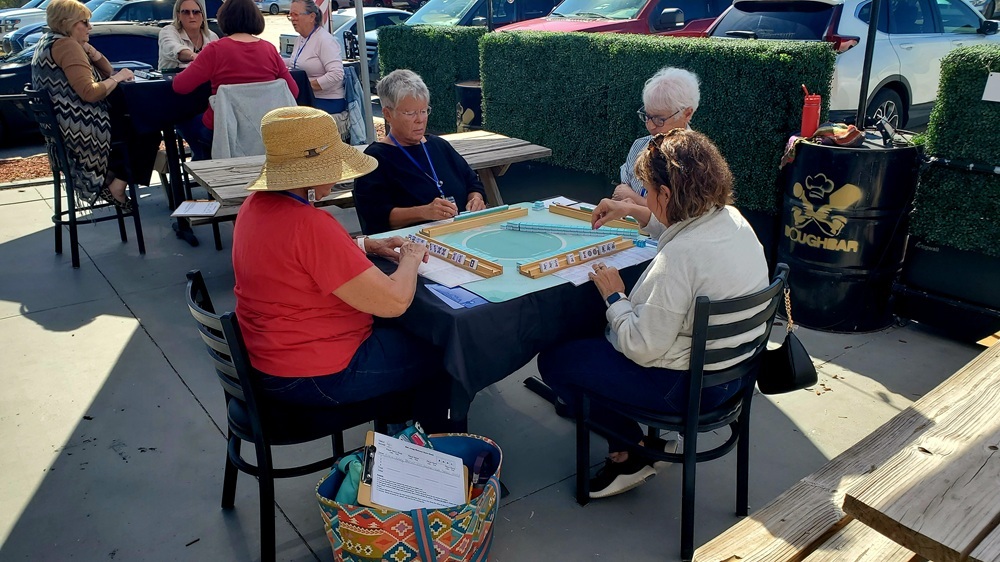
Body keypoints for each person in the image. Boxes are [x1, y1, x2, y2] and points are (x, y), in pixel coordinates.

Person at [538, 129, 769, 499]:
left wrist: (615, 297)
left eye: (646, 191)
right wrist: (633, 211)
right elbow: (682, 227)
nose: (643, 196)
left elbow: (641, 347)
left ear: (666, 194)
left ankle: (630, 452)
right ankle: (636, 442)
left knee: (555, 360)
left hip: (686, 391)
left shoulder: (681, 257)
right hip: (734, 378)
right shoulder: (732, 219)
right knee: (592, 342)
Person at [232, 106, 451, 428]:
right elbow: (394, 302)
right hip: (316, 374)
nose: (337, 176)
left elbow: (296, 259)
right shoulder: (310, 224)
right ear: (310, 174)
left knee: (409, 336)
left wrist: (365, 245)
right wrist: (411, 257)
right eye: (332, 165)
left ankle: (398, 426)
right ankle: (422, 447)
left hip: (267, 360)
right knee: (446, 352)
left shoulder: (253, 207)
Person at [31, 0, 158, 212]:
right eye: (85, 22)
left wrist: (88, 47)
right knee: (148, 127)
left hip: (63, 129)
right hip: (82, 129)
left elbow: (106, 69)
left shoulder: (49, 41)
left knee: (136, 124)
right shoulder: (66, 46)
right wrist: (119, 78)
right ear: (68, 23)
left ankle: (108, 175)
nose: (90, 27)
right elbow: (90, 92)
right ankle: (116, 187)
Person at [354, 69, 487, 235]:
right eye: (410, 113)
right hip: (410, 243)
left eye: (424, 111)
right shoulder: (375, 159)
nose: (420, 120)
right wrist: (424, 212)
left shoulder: (439, 146)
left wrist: (475, 199)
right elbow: (375, 216)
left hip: (461, 233)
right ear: (388, 114)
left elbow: (473, 182)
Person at [171, 0, 298, 160]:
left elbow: (180, 86)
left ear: (224, 18)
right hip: (265, 128)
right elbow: (293, 91)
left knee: (183, 122)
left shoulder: (215, 50)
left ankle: (204, 163)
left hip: (223, 129)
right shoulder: (269, 49)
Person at [613, 67, 700, 206]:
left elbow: (681, 214)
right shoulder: (640, 145)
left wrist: (634, 200)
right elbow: (620, 193)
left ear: (687, 114)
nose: (650, 126)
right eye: (647, 116)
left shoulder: (698, 159)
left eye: (660, 119)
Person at [285, 0, 345, 115]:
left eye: (296, 15)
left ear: (311, 17)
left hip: (327, 101)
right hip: (307, 98)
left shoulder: (325, 40)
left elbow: (337, 74)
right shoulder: (300, 39)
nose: (292, 19)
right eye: (290, 15)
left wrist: (306, 86)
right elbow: (295, 62)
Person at [157, 0, 219, 71]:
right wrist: (194, 56)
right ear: (178, 16)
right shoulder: (167, 31)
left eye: (196, 12)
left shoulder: (212, 36)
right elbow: (173, 49)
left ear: (202, 15)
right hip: (172, 77)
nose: (191, 16)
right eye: (186, 12)